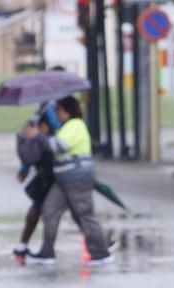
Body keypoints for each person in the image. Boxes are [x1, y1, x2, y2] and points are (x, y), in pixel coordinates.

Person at [17, 96, 112, 266]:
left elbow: (58, 146)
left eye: (58, 110)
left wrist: (38, 136)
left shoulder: (75, 125)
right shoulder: (65, 127)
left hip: (76, 178)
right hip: (63, 179)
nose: (56, 113)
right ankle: (46, 252)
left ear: (66, 111)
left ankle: (100, 254)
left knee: (85, 215)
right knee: (49, 210)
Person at [12, 101, 63, 263]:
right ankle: (36, 249)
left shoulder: (41, 113)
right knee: (76, 209)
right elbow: (55, 133)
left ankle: (24, 245)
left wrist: (25, 168)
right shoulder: (52, 112)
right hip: (53, 166)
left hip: (47, 168)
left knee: (40, 206)